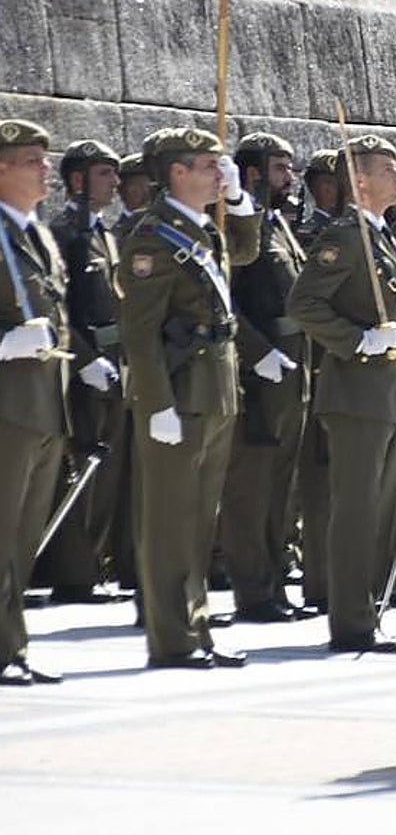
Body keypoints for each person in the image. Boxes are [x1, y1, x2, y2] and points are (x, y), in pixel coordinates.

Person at [118, 126, 262, 670]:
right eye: (209, 166)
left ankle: (195, 625)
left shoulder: (201, 229)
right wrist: (156, 404)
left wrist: (238, 198)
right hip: (178, 395)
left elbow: (246, 249)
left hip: (215, 391)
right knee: (170, 518)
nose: (217, 174)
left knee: (201, 518)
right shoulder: (154, 238)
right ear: (177, 171)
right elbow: (140, 332)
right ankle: (173, 637)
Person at [288, 134, 396, 655]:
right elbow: (305, 303)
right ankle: (351, 622)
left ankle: (367, 612)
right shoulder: (345, 235)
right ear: (360, 181)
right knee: (357, 511)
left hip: (387, 393)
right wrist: (357, 341)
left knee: (380, 512)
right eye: (388, 170)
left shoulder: (381, 235)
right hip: (357, 394)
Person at [222, 133, 311, 622]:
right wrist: (257, 353)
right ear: (253, 173)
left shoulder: (279, 225)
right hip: (260, 372)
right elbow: (222, 300)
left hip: (292, 369)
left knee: (282, 485)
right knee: (252, 488)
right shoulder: (241, 229)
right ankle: (253, 591)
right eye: (280, 168)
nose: (289, 178)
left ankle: (275, 580)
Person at [37, 141, 129, 605]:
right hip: (85, 365)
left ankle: (92, 565)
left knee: (106, 471)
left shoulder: (104, 233)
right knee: (85, 467)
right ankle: (74, 575)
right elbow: (61, 309)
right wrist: (87, 358)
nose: (114, 182)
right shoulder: (65, 233)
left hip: (114, 364)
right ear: (77, 181)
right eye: (103, 174)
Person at [0, 120, 72, 687]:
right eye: (32, 160)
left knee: (23, 537)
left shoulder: (35, 232)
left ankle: (10, 645)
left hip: (44, 401)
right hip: (8, 403)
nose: (46, 169)